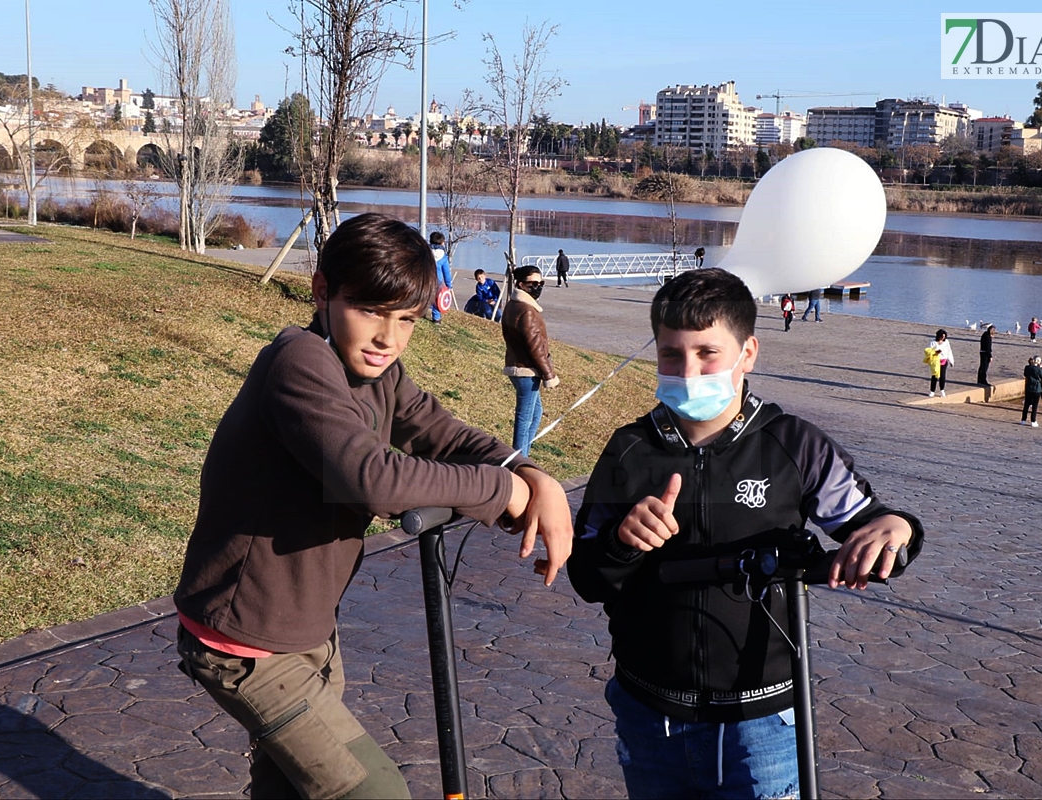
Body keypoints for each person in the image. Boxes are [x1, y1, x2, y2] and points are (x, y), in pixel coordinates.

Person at [173, 214, 573, 800]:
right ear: (322, 291)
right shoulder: (299, 361)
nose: (388, 337)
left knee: (285, 790)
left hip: (309, 630)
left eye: (406, 320)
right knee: (373, 791)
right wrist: (503, 491)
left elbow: (446, 433)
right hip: (248, 641)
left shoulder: (381, 374)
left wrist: (533, 475)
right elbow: (371, 480)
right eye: (370, 311)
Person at [567, 268, 923, 800]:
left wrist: (898, 529)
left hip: (765, 721)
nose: (687, 370)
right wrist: (622, 541)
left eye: (707, 353)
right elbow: (586, 576)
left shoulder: (794, 444)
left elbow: (876, 524)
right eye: (671, 354)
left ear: (748, 352)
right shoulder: (629, 449)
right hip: (649, 713)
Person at [502, 265, 559, 457]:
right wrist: (549, 375)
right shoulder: (527, 311)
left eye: (541, 283)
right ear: (521, 284)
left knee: (535, 414)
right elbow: (536, 348)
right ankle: (519, 462)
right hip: (526, 371)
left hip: (517, 367)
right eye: (533, 283)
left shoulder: (512, 305)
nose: (538, 287)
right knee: (525, 418)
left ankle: (524, 454)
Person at [1021, 356, 1042, 427]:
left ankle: (1023, 420)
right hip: (1037, 389)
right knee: (1035, 406)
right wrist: (1041, 368)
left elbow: (1025, 374)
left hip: (1028, 388)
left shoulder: (1027, 368)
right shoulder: (1038, 369)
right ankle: (1033, 420)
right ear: (1038, 362)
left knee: (1026, 405)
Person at [429, 231, 453, 324]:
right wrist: (449, 285)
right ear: (442, 243)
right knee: (437, 299)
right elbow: (446, 273)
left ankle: (420, 312)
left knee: (424, 296)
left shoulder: (425, 253)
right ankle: (436, 318)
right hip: (437, 281)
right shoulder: (443, 257)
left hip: (425, 278)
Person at [927, 328, 955, 398]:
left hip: (944, 361)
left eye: (944, 337)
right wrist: (936, 352)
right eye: (942, 337)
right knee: (935, 376)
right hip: (936, 361)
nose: (943, 338)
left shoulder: (946, 342)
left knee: (942, 376)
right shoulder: (933, 342)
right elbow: (930, 352)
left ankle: (942, 390)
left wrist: (951, 361)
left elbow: (949, 351)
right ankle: (932, 391)